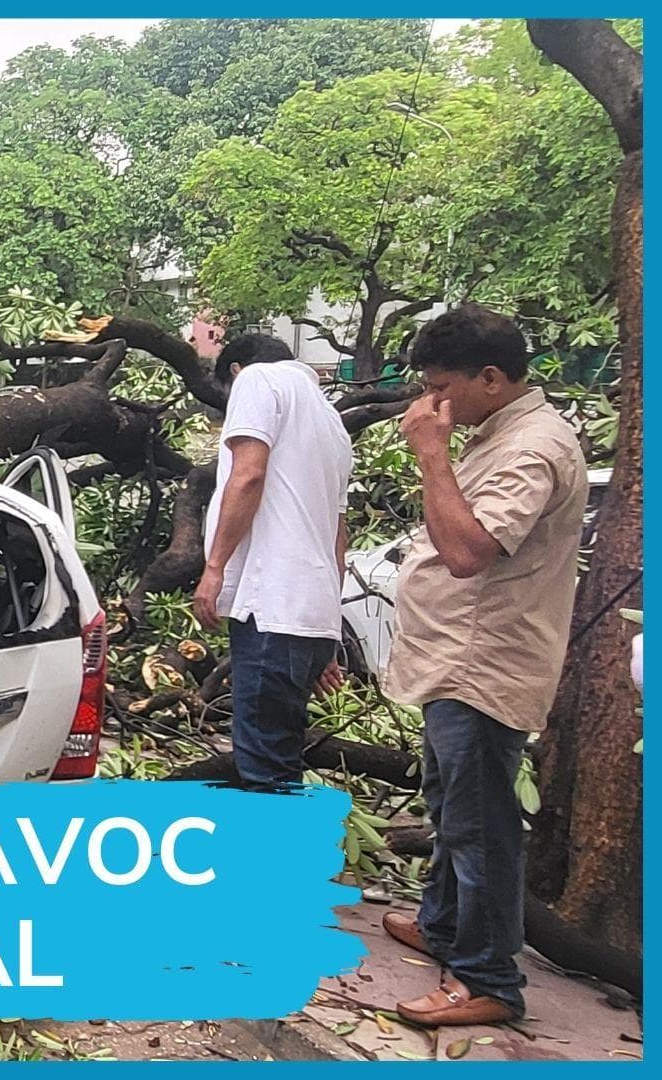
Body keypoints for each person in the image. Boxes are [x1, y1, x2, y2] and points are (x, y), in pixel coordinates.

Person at [380, 305, 588, 1028]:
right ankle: (442, 926)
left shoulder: (532, 447)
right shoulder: (500, 432)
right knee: (451, 805)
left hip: (483, 664)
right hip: (454, 660)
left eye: (443, 386)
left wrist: (432, 457)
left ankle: (488, 978)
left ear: (491, 379)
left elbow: (469, 553)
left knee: (480, 825)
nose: (432, 403)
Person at [192, 333, 351, 791]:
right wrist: (324, 631)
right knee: (281, 756)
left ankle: (274, 860)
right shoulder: (329, 419)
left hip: (272, 607)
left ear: (235, 371)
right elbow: (336, 534)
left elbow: (248, 475)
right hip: (308, 612)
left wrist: (215, 567)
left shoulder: (257, 380)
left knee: (263, 766)